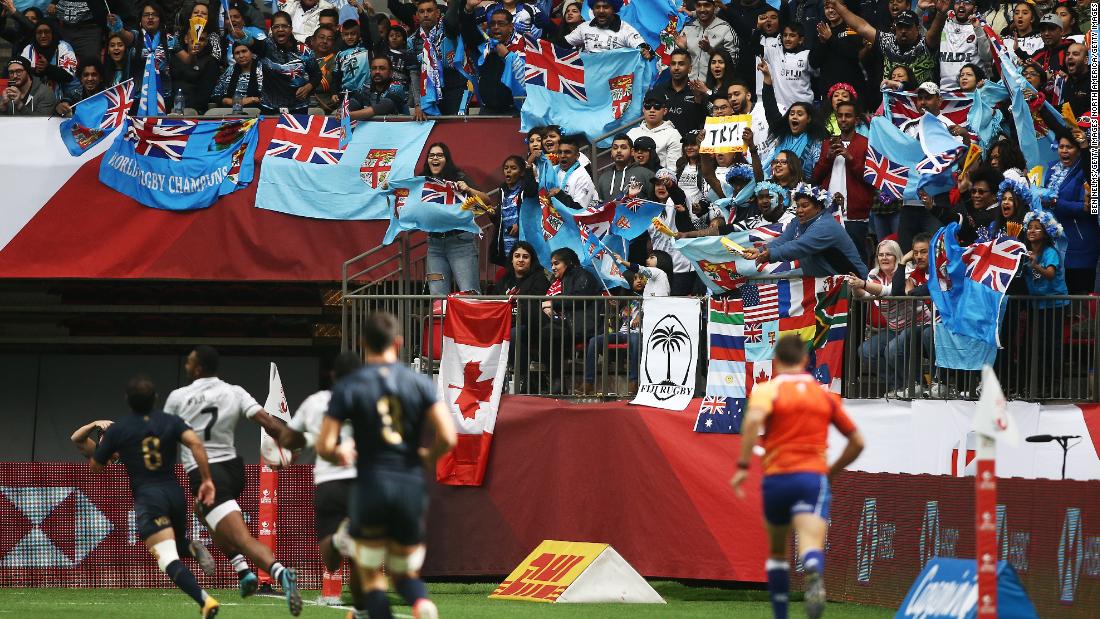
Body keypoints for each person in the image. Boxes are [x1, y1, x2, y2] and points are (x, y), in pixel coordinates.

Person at [318, 312, 456, 619]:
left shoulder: (350, 385)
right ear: (399, 343)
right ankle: (423, 606)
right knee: (405, 575)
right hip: (409, 484)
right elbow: (448, 437)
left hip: (370, 486)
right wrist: (426, 457)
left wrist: (339, 453)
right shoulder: (419, 383)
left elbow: (324, 445)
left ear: (364, 344)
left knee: (371, 578)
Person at [730, 334, 865, 619]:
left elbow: (753, 421)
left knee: (778, 551)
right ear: (805, 361)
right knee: (809, 543)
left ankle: (781, 615)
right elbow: (858, 442)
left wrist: (742, 466)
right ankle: (813, 569)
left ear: (776, 361)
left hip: (777, 478)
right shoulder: (824, 396)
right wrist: (832, 471)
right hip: (812, 478)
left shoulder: (767, 390)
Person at [163, 345, 303, 615]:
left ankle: (281, 573)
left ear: (199, 368)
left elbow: (164, 435)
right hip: (233, 470)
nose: (186, 365)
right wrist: (294, 446)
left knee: (241, 537)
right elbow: (269, 423)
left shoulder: (178, 397)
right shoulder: (234, 391)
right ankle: (243, 572)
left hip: (206, 474)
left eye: (190, 362)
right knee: (201, 511)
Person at [71, 376, 221, 618]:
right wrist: (206, 480)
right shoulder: (171, 421)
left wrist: (111, 447)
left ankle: (205, 601)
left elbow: (96, 467)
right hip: (174, 492)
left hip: (149, 498)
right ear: (156, 399)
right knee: (176, 544)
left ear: (127, 400)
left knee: (166, 557)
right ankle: (191, 547)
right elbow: (196, 444)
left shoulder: (119, 430)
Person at [271, 353, 362, 593]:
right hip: (363, 482)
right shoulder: (370, 400)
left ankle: (336, 540)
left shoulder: (315, 402)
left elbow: (288, 438)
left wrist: (306, 441)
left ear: (332, 375)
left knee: (331, 562)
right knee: (363, 563)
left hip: (329, 482)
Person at [744, 183, 868, 277]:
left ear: (818, 208)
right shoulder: (798, 221)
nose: (799, 210)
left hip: (853, 284)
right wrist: (759, 250)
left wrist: (771, 254)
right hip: (827, 284)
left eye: (805, 206)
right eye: (797, 206)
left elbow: (798, 246)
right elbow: (783, 241)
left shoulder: (826, 226)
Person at [826, 0, 949, 85]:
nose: (903, 31)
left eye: (908, 27)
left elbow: (934, 32)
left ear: (917, 29)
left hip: (919, 105)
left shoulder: (925, 45)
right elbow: (861, 26)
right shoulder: (888, 41)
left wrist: (941, 13)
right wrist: (836, 5)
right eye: (900, 27)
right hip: (892, 106)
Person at [812, 100, 873, 266]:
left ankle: (861, 290)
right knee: (830, 258)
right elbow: (815, 177)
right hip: (827, 212)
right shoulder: (827, 144)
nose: (843, 119)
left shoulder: (865, 144)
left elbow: (870, 178)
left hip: (855, 215)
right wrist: (827, 158)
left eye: (848, 116)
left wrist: (850, 158)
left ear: (857, 120)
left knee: (857, 257)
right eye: (840, 116)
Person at [539, 247, 603, 392]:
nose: (553, 268)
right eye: (552, 264)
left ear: (568, 263)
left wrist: (552, 302)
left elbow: (578, 298)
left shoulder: (583, 275)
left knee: (550, 334)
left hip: (584, 328)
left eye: (556, 263)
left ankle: (556, 381)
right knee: (543, 333)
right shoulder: (565, 278)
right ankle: (553, 380)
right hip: (570, 325)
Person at [1023, 209, 1069, 396]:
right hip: (1037, 306)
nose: (1032, 231)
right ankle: (1039, 385)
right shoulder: (1025, 253)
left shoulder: (1050, 252)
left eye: (1037, 228)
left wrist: (1035, 266)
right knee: (1036, 346)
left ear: (1047, 232)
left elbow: (1049, 274)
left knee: (1052, 346)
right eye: (1030, 228)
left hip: (1054, 305)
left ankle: (1055, 386)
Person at [581, 268, 646, 395]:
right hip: (622, 333)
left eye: (641, 278)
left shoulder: (648, 296)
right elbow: (617, 322)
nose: (639, 281)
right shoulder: (625, 299)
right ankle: (588, 382)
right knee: (594, 340)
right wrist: (615, 309)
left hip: (639, 333)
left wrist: (641, 315)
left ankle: (634, 381)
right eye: (635, 278)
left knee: (636, 339)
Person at [463, 155, 537, 265]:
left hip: (524, 241)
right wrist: (492, 214)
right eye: (506, 168)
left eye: (513, 168)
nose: (508, 171)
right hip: (506, 243)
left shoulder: (525, 187)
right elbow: (500, 221)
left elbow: (533, 204)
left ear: (521, 172)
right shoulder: (502, 189)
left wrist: (520, 225)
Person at [1044, 135, 1093, 293]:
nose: (1064, 151)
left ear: (1079, 151)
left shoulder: (1086, 171)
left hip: (1079, 245)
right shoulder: (1050, 170)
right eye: (1061, 146)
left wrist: (1056, 203)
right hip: (1054, 244)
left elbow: (1086, 208)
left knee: (1079, 303)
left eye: (1069, 147)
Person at [249, 11, 320, 115]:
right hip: (270, 108)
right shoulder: (265, 46)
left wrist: (308, 87)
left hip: (298, 108)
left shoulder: (303, 50)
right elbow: (254, 44)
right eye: (276, 27)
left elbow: (317, 75)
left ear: (291, 29)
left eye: (284, 26)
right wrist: (242, 37)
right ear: (272, 30)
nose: (280, 29)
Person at [410, 0, 465, 117]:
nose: (425, 14)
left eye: (429, 10)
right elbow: (414, 73)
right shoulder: (412, 41)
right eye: (421, 11)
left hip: (456, 87)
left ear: (438, 12)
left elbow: (452, 17)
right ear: (417, 15)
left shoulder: (449, 30)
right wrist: (418, 104)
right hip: (428, 94)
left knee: (457, 128)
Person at [464, 7, 523, 115]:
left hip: (514, 111)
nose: (496, 27)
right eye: (493, 24)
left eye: (501, 24)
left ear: (511, 27)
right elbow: (468, 32)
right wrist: (468, 10)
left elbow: (524, 78)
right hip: (487, 111)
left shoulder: (522, 48)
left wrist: (507, 55)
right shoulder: (485, 47)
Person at [810, 1, 866, 97]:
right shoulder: (821, 30)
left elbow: (854, 54)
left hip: (852, 89)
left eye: (834, 7)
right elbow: (813, 63)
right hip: (828, 90)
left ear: (844, 7)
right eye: (827, 8)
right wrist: (823, 43)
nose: (830, 11)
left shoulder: (852, 27)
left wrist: (830, 39)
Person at [649, 48, 706, 138]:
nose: (676, 68)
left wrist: (698, 100)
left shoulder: (698, 92)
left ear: (690, 68)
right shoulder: (658, 91)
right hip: (661, 145)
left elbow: (702, 123)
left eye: (681, 64)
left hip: (688, 147)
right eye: (673, 64)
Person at [936, 0, 993, 89]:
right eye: (958, 2)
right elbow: (921, 34)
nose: (961, 5)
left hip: (972, 92)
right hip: (945, 92)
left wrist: (978, 29)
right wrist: (920, 10)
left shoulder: (981, 26)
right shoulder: (944, 24)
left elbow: (987, 57)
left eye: (967, 2)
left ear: (974, 9)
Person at [677, 0, 738, 82]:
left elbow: (732, 64)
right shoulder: (688, 28)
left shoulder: (725, 29)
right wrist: (682, 50)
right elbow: (677, 63)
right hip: (690, 87)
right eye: (699, 5)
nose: (702, 9)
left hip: (715, 88)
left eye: (706, 5)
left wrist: (710, 51)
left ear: (715, 6)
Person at [20, 18, 79, 102]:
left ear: (53, 33)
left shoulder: (64, 47)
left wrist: (47, 68)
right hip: (34, 101)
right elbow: (21, 73)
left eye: (46, 32)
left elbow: (69, 76)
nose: (43, 35)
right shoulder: (29, 49)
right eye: (39, 32)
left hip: (62, 99)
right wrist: (36, 71)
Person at [565, 0, 650, 57]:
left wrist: (646, 52)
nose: (601, 11)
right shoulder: (584, 27)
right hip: (591, 78)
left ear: (613, 9)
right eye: (597, 7)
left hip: (615, 80)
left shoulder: (626, 29)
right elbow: (563, 44)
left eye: (605, 7)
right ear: (592, 10)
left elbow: (643, 48)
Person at [627, 94, 682, 171]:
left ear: (665, 111)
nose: (652, 110)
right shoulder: (632, 133)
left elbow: (673, 168)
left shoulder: (673, 134)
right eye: (648, 106)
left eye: (657, 106)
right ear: (643, 110)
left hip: (659, 180)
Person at [344, 55, 410, 118]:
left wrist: (348, 115)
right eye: (374, 68)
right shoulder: (366, 87)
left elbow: (382, 107)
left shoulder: (396, 88)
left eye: (382, 68)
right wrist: (344, 111)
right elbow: (353, 103)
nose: (377, 72)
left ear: (390, 73)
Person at [169, 30, 219, 114]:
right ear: (186, 39)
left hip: (194, 111)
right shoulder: (175, 57)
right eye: (194, 38)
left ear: (206, 42)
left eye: (201, 39)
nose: (197, 42)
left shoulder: (210, 61)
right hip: (169, 106)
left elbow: (205, 93)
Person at [547, 135, 599, 210]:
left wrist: (559, 194)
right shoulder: (553, 170)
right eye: (560, 152)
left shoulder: (583, 177)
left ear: (577, 156)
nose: (562, 155)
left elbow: (579, 209)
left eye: (567, 152)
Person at [598, 134, 655, 201]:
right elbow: (600, 206)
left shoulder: (647, 174)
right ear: (611, 153)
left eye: (623, 147)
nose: (618, 150)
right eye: (615, 148)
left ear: (632, 152)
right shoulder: (603, 177)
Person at [213, 41, 263, 108]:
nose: (241, 56)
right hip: (230, 112)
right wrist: (226, 100)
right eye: (237, 53)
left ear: (251, 53)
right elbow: (215, 95)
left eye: (244, 51)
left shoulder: (263, 69)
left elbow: (273, 97)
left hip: (259, 112)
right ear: (233, 57)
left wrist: (253, 99)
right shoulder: (230, 70)